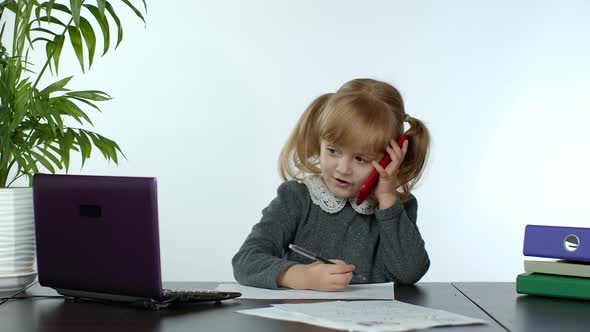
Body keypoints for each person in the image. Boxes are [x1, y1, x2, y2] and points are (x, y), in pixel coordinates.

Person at [232, 78, 430, 291]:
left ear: (389, 160)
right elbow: (246, 260)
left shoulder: (396, 209)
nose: (343, 168)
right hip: (303, 321)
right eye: (333, 150)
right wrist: (301, 276)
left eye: (361, 159)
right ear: (321, 143)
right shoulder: (296, 198)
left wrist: (388, 199)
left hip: (372, 321)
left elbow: (410, 272)